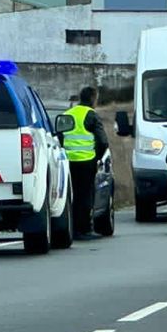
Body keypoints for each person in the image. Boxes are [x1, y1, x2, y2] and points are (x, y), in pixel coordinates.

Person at [61, 87, 110, 242]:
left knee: (71, 195)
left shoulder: (67, 114)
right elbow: (103, 141)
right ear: (93, 98)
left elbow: (59, 137)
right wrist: (97, 158)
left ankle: (70, 227)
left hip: (68, 162)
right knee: (85, 196)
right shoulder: (91, 115)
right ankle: (83, 229)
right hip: (86, 161)